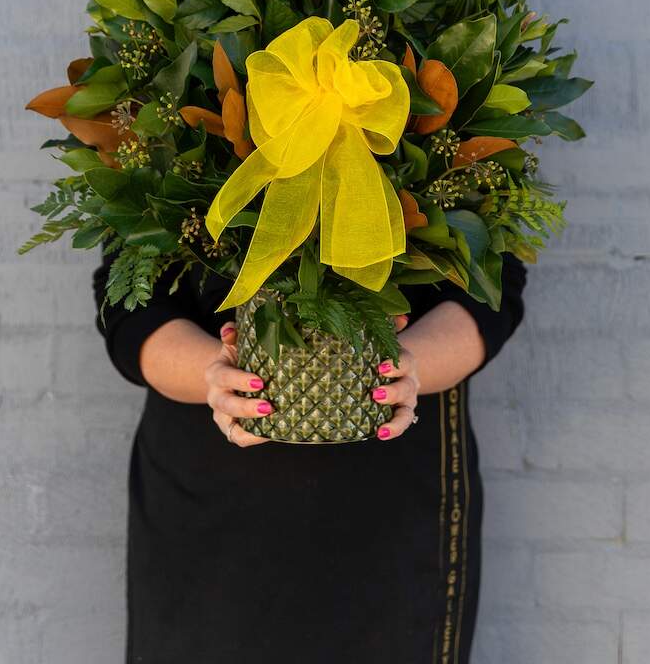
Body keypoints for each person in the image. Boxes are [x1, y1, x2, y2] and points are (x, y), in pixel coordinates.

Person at [93, 248, 526, 664]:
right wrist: (220, 379)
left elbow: (490, 284)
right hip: (209, 497)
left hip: (392, 496)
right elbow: (131, 303)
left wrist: (404, 370)